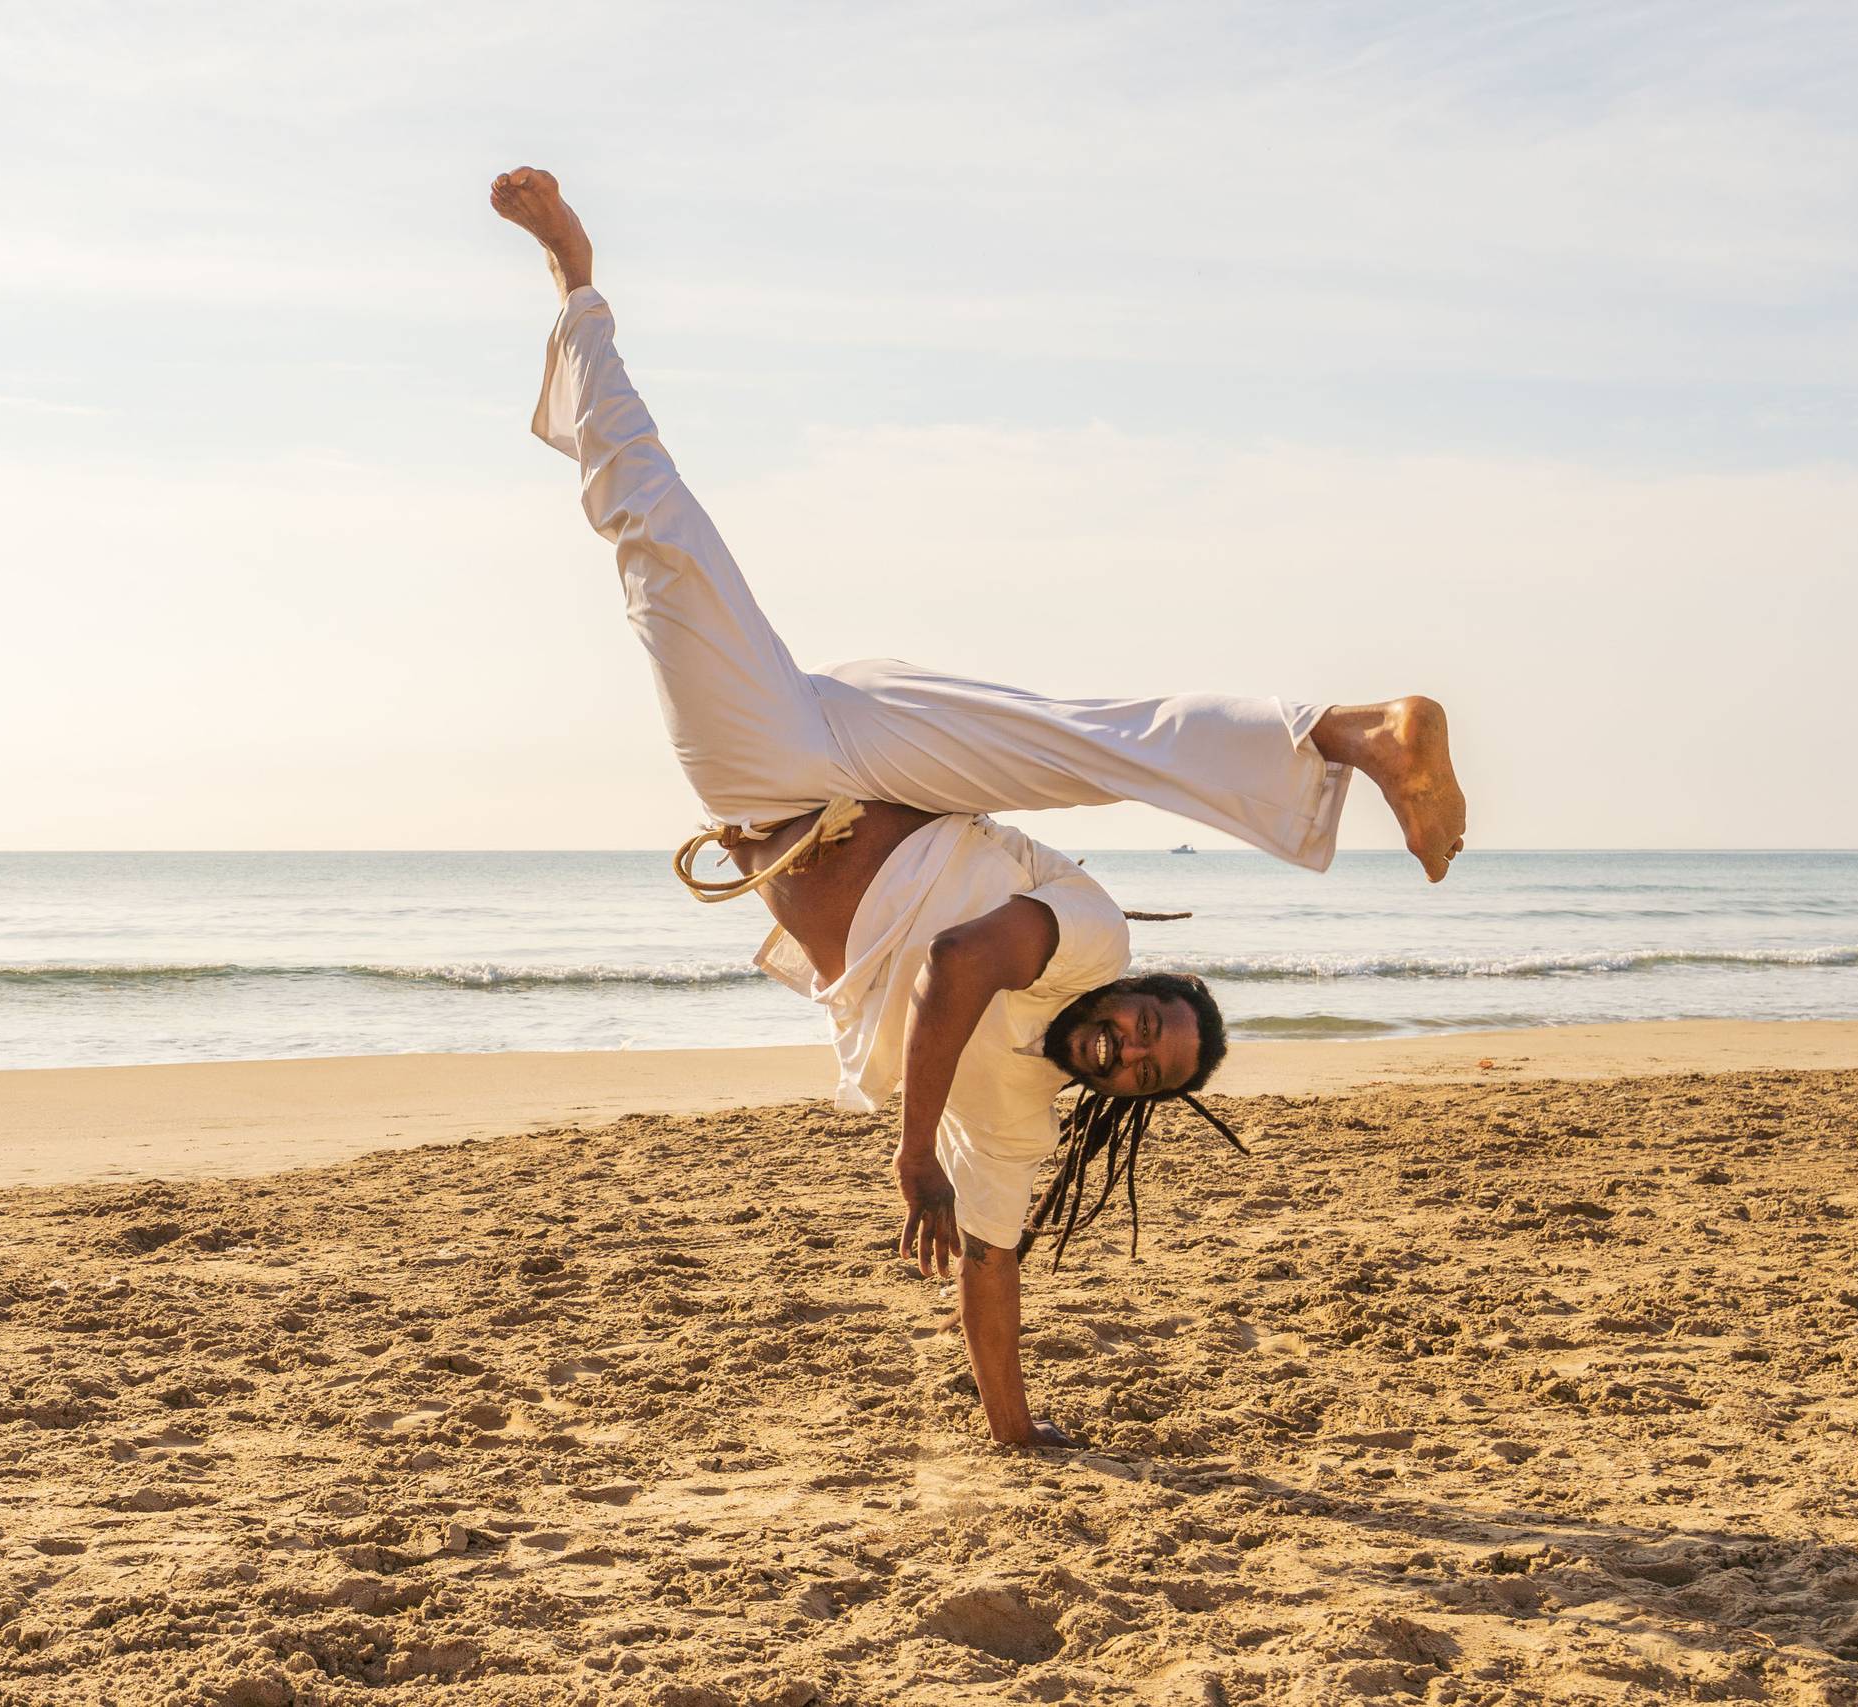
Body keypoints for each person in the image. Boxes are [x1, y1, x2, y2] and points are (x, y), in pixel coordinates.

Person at [490, 168, 1465, 1448]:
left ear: (1125, 1096)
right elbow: (954, 964)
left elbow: (991, 1269)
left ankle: (1345, 735)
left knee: (660, 542)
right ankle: (1352, 735)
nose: (1128, 1040)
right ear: (1142, 994)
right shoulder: (1093, 944)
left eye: (1144, 1066)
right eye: (1151, 1022)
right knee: (1082, 740)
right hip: (851, 771)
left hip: (804, 775)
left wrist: (1015, 1431)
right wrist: (910, 1158)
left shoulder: (1012, 1121)